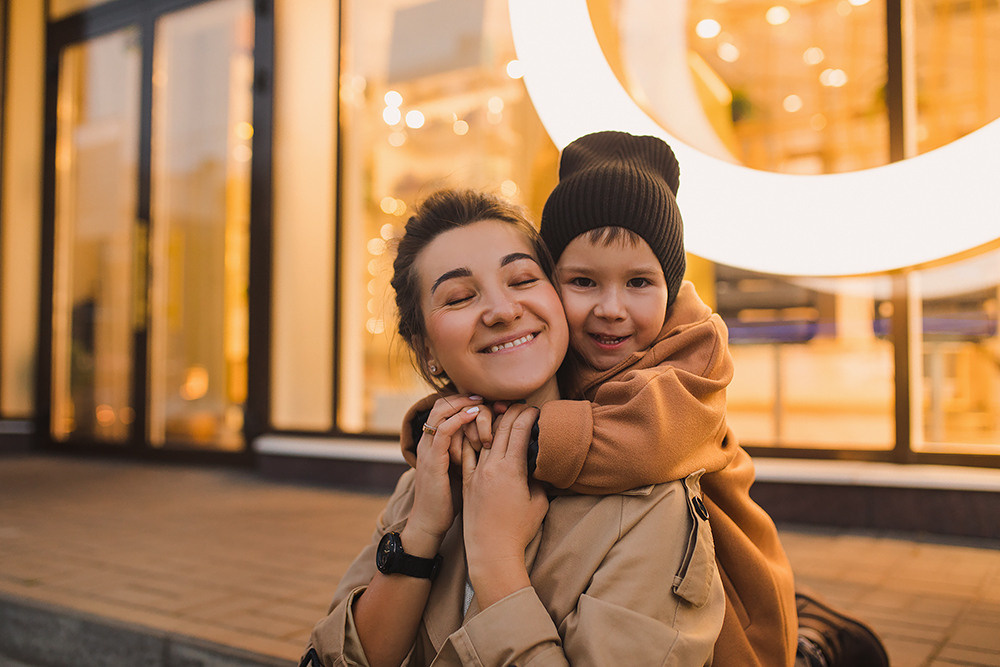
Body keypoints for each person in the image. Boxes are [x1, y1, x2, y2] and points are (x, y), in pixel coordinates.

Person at [301, 189, 725, 666]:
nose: (502, 310)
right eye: (459, 297)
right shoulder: (428, 481)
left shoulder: (653, 506)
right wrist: (420, 533)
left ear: (556, 300)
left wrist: (496, 561)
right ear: (425, 350)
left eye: (522, 279)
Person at [529, 129, 888, 667]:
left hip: (720, 590)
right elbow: (492, 392)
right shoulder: (555, 351)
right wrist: (443, 425)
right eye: (583, 281)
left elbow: (640, 446)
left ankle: (818, 642)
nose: (612, 307)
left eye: (639, 283)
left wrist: (514, 440)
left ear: (670, 287)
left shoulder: (694, 355)